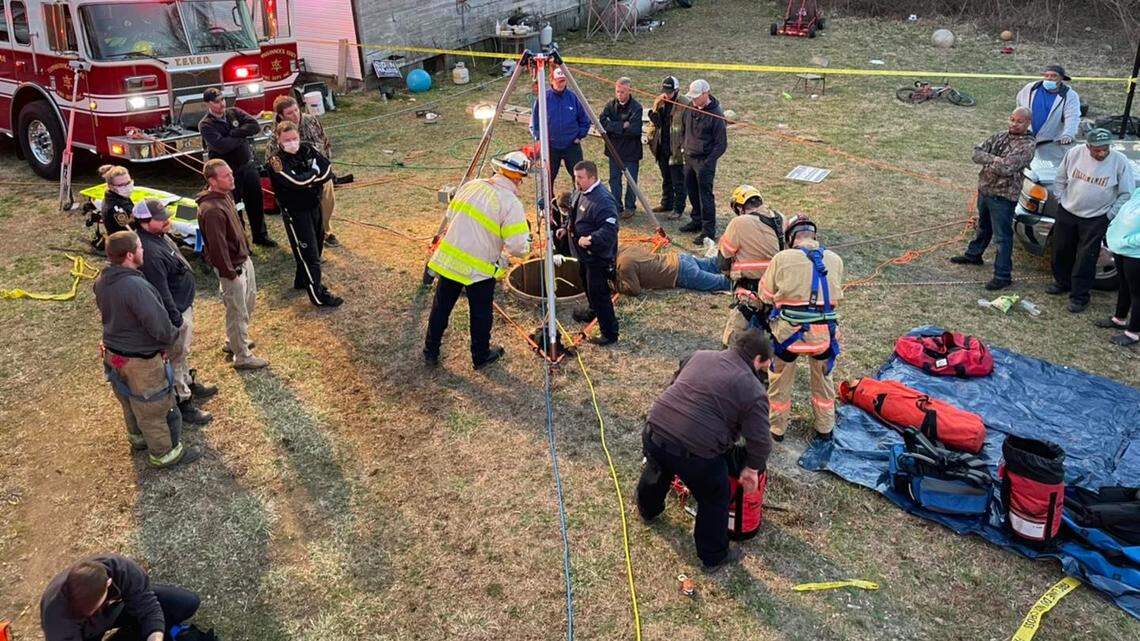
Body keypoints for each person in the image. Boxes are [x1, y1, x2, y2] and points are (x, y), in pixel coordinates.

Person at [636, 328, 773, 571]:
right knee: (715, 495)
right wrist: (752, 469)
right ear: (758, 360)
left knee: (659, 466)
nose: (761, 374)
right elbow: (760, 441)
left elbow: (675, 383)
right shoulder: (753, 391)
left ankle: (648, 510)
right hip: (695, 454)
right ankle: (713, 555)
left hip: (654, 431)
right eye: (763, 368)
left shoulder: (699, 356)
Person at [93, 232, 201, 468]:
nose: (144, 250)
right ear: (130, 255)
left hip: (114, 354)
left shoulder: (102, 279)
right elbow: (160, 326)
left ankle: (138, 438)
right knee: (153, 406)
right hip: (140, 360)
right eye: (140, 247)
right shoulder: (136, 287)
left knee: (129, 400)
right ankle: (165, 453)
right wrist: (173, 339)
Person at [424, 151, 532, 368]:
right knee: (481, 314)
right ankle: (480, 356)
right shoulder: (510, 203)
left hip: (450, 260)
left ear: (499, 169)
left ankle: (430, 351)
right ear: (518, 179)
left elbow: (450, 215)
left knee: (441, 308)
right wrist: (524, 246)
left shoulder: (471, 185)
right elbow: (518, 247)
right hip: (479, 269)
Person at [760, 215, 844, 442]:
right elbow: (836, 294)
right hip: (824, 337)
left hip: (789, 336)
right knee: (824, 382)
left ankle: (776, 429)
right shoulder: (835, 260)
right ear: (814, 235)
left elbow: (765, 295)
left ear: (790, 237)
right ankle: (824, 428)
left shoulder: (782, 258)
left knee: (779, 383)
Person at [132, 199, 217, 425]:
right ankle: (183, 400)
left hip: (182, 304)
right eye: (160, 220)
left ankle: (188, 382)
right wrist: (176, 319)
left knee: (183, 352)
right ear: (144, 222)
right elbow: (161, 290)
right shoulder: (148, 251)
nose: (166, 221)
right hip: (176, 312)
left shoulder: (159, 236)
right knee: (176, 356)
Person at [1046, 128, 1136, 313]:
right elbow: (1060, 177)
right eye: (1097, 149)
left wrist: (1109, 215)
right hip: (1068, 210)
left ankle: (1080, 296)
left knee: (1087, 257)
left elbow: (1126, 192)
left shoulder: (1120, 161)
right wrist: (1060, 198)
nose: (1101, 152)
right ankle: (1062, 282)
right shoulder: (1074, 153)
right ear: (1087, 146)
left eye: (1105, 148)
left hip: (1096, 217)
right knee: (1061, 249)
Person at [949, 107, 1036, 290]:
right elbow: (976, 154)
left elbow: (1006, 168)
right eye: (1012, 119)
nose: (1014, 123)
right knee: (983, 227)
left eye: (1019, 121)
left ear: (1028, 123)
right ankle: (974, 255)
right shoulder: (999, 136)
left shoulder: (1027, 145)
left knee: (1002, 238)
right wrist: (996, 159)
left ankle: (1003, 275)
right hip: (986, 190)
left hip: (1004, 197)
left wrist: (989, 160)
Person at [197, 159, 269, 369]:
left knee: (247, 304)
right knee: (237, 310)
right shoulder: (211, 209)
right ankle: (242, 356)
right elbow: (218, 248)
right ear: (212, 180)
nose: (232, 177)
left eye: (231, 173)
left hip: (243, 260)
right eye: (226, 175)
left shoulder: (225, 196)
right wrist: (231, 274)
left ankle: (235, 341)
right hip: (233, 270)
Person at [267, 121, 342, 308]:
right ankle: (318, 295)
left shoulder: (307, 150)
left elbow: (327, 170)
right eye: (287, 140)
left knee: (316, 245)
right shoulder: (276, 161)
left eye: (294, 138)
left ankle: (302, 280)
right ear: (279, 140)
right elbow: (295, 182)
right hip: (295, 212)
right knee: (309, 254)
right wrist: (313, 175)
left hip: (314, 205)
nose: (292, 142)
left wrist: (311, 178)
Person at [40, 554, 200, 641]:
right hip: (86, 634)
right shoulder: (55, 616)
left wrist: (155, 635)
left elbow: (148, 606)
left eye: (95, 607)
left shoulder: (122, 569)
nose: (91, 613)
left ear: (108, 583)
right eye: (86, 613)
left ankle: (137, 630)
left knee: (187, 603)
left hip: (121, 609)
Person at [198, 87, 275, 247]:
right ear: (208, 104)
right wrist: (241, 136)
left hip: (248, 167)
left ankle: (260, 236)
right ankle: (241, 243)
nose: (221, 104)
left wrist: (233, 134)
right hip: (227, 174)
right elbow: (221, 146)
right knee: (234, 209)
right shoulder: (206, 124)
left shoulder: (233, 112)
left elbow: (254, 126)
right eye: (217, 102)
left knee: (255, 202)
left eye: (222, 100)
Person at [268, 95, 340, 247]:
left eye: (296, 110)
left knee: (327, 200)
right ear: (280, 116)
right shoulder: (277, 134)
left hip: (317, 171)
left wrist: (325, 166)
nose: (295, 115)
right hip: (296, 179)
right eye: (290, 113)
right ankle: (311, 239)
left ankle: (326, 230)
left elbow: (323, 141)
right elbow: (273, 161)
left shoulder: (310, 120)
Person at [719, 185, 786, 345]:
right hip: (777, 285)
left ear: (740, 207)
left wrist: (727, 272)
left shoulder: (739, 223)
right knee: (771, 329)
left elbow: (724, 256)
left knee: (737, 326)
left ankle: (728, 353)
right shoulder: (780, 218)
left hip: (750, 286)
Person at [564, 160, 620, 345]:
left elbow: (610, 229)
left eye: (580, 177)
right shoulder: (580, 191)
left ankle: (609, 333)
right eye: (575, 176)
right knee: (586, 283)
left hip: (597, 256)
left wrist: (592, 239)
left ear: (592, 177)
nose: (576, 180)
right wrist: (565, 228)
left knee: (599, 292)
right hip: (582, 255)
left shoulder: (603, 200)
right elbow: (573, 214)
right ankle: (592, 310)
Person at [679, 79, 728, 245]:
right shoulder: (690, 108)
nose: (693, 100)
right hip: (689, 158)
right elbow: (683, 128)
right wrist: (683, 146)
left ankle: (708, 231)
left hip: (704, 161)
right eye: (691, 96)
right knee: (691, 191)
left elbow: (721, 144)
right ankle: (696, 220)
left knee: (705, 196)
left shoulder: (716, 114)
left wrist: (708, 162)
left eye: (696, 97)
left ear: (706, 93)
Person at [530, 67, 591, 197]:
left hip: (571, 146)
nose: (561, 84)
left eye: (563, 81)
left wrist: (580, 135)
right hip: (551, 148)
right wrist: (540, 138)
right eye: (558, 81)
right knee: (547, 180)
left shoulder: (573, 98)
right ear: (552, 81)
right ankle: (550, 208)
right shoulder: (543, 99)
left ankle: (578, 203)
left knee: (579, 177)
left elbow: (585, 121)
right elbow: (534, 123)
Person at [599, 77, 644, 218]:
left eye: (623, 92)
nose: (619, 95)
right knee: (614, 180)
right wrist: (622, 125)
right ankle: (617, 206)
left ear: (629, 90)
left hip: (631, 152)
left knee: (631, 181)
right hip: (614, 151)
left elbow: (635, 130)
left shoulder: (636, 108)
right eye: (617, 91)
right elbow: (602, 122)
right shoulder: (610, 105)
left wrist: (613, 127)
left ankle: (630, 207)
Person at [612, 242, 730, 296]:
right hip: (680, 258)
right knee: (712, 264)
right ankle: (736, 260)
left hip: (679, 273)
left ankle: (746, 280)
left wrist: (613, 283)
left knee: (721, 282)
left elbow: (634, 290)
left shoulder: (624, 264)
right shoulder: (624, 248)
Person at [1102, 187, 1140, 346]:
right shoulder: (1138, 192)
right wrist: (1112, 232)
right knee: (1124, 285)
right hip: (1121, 249)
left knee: (1137, 293)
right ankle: (1119, 318)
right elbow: (1124, 213)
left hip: (1135, 253)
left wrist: (1125, 242)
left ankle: (1133, 333)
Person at [647, 76, 689, 219]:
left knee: (678, 180)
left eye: (670, 91)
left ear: (677, 90)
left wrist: (684, 146)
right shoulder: (659, 101)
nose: (667, 94)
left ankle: (678, 209)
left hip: (676, 148)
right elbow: (655, 124)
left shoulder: (685, 104)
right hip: (662, 145)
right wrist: (655, 123)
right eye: (665, 91)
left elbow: (687, 127)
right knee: (666, 177)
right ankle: (666, 203)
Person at [1016, 64, 1081, 145]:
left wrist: (1068, 134)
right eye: (1046, 76)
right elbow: (1019, 107)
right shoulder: (1031, 88)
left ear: (1061, 78)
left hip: (1050, 141)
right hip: (1026, 137)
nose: (1049, 78)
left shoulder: (1070, 95)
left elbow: (1072, 116)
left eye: (1054, 76)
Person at [98, 165, 136, 239]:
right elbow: (130, 231)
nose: (127, 187)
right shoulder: (116, 209)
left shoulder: (116, 196)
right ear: (111, 187)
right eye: (121, 185)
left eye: (128, 182)